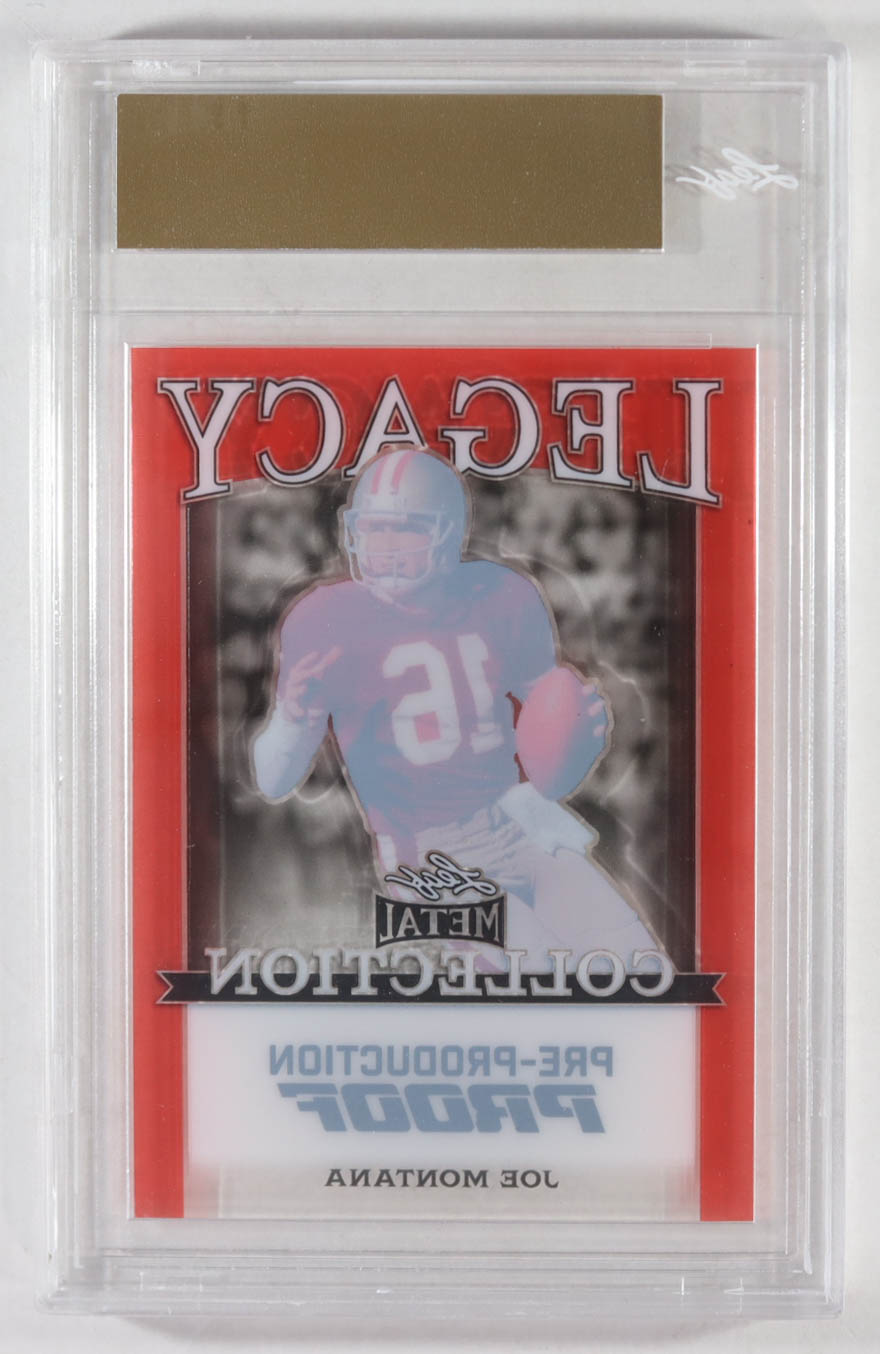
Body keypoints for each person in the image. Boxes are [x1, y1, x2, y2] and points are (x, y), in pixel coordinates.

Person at [253, 444, 659, 972]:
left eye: (405, 530)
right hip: (427, 852)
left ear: (450, 533)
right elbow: (273, 781)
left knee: (639, 968)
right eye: (373, 529)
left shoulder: (502, 592)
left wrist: (581, 727)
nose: (383, 547)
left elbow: (548, 720)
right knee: (538, 977)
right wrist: (292, 718)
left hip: (519, 818)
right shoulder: (323, 619)